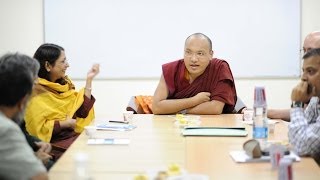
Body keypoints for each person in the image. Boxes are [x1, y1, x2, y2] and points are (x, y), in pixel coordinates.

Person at [24, 43, 99, 159]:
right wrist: (65, 123)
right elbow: (37, 130)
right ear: (48, 66)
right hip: (55, 146)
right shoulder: (35, 92)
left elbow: (82, 112)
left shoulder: (64, 84)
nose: (67, 65)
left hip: (73, 138)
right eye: (63, 61)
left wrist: (89, 80)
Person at [152, 33, 237, 115]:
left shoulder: (219, 68)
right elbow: (156, 107)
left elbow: (215, 108)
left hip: (213, 124)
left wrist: (177, 110)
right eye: (188, 52)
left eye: (200, 53)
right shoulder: (171, 70)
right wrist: (194, 100)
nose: (193, 59)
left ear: (211, 55)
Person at [0, 53, 48, 180]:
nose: (37, 82)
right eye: (34, 80)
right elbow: (39, 177)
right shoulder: (5, 128)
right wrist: (35, 160)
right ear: (22, 101)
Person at [268, 31, 320, 121]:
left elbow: (300, 132)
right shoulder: (315, 99)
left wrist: (297, 103)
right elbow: (305, 117)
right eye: (304, 50)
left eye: (310, 51)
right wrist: (266, 112)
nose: (305, 55)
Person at [288, 48, 320, 165]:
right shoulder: (316, 100)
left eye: (310, 71)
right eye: (304, 71)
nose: (303, 78)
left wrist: (297, 104)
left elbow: (301, 145)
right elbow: (298, 133)